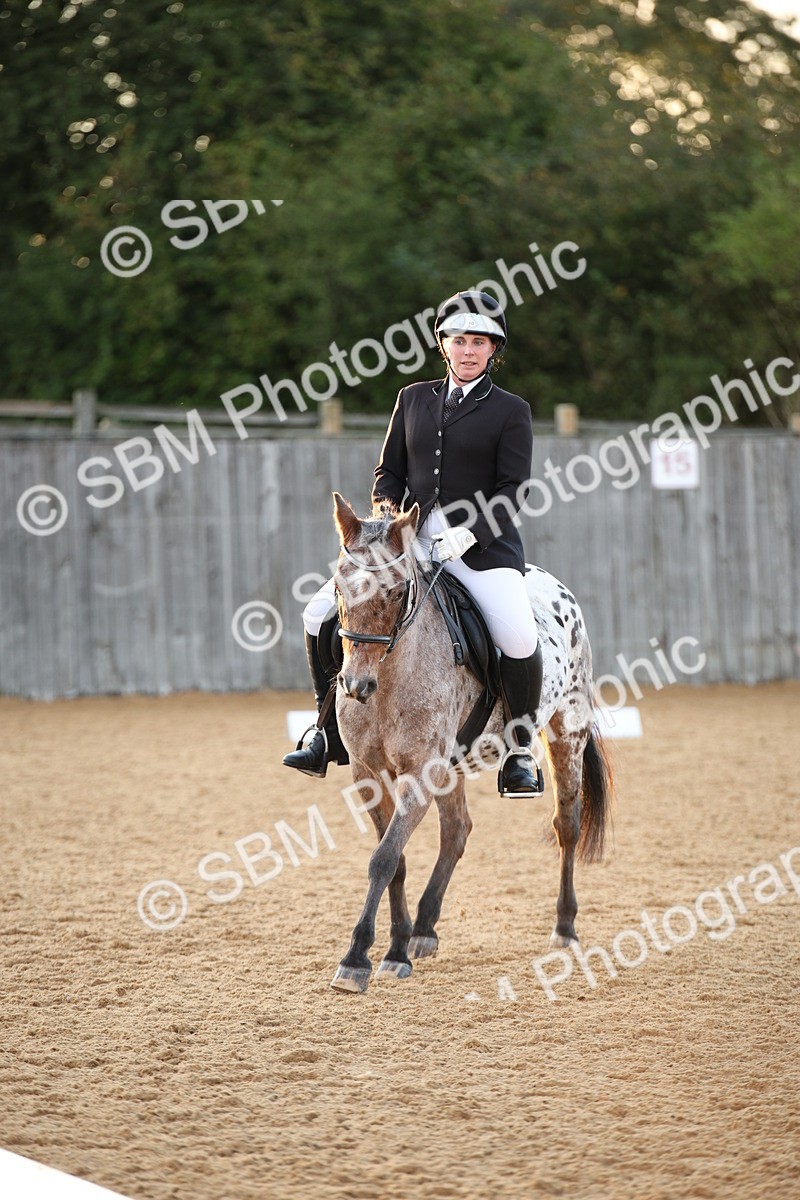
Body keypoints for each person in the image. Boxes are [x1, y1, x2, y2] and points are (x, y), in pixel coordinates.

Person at [283, 289, 543, 796]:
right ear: (442, 344)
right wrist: (385, 520)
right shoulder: (413, 398)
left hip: (481, 549)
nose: (469, 350)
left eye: (480, 342)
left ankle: (519, 752)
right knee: (318, 614)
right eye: (459, 340)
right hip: (406, 544)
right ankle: (325, 729)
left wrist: (469, 533)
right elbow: (389, 473)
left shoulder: (512, 411)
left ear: (494, 350)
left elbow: (514, 490)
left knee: (518, 637)